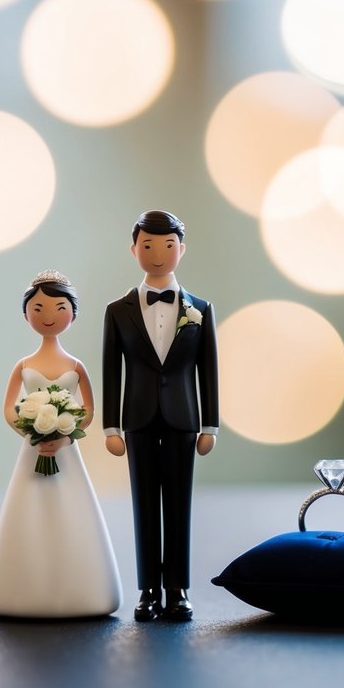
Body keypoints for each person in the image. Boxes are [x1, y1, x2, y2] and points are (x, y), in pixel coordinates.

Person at [0, 270, 122, 618]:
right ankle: (23, 589)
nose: (47, 316)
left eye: (58, 308)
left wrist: (64, 433)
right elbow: (8, 407)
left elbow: (88, 410)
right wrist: (32, 431)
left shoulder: (75, 365)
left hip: (66, 450)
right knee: (28, 512)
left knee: (71, 511)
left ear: (72, 314)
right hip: (33, 450)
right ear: (26, 314)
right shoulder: (24, 365)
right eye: (38, 308)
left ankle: (80, 589)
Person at [103, 210, 219, 622]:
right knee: (144, 504)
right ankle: (148, 589)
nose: (157, 254)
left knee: (179, 505)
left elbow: (208, 370)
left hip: (184, 419)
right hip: (136, 417)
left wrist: (210, 425)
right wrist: (111, 426)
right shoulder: (117, 311)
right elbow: (111, 371)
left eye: (167, 245)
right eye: (148, 245)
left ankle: (178, 588)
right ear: (133, 249)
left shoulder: (201, 309)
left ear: (181, 250)